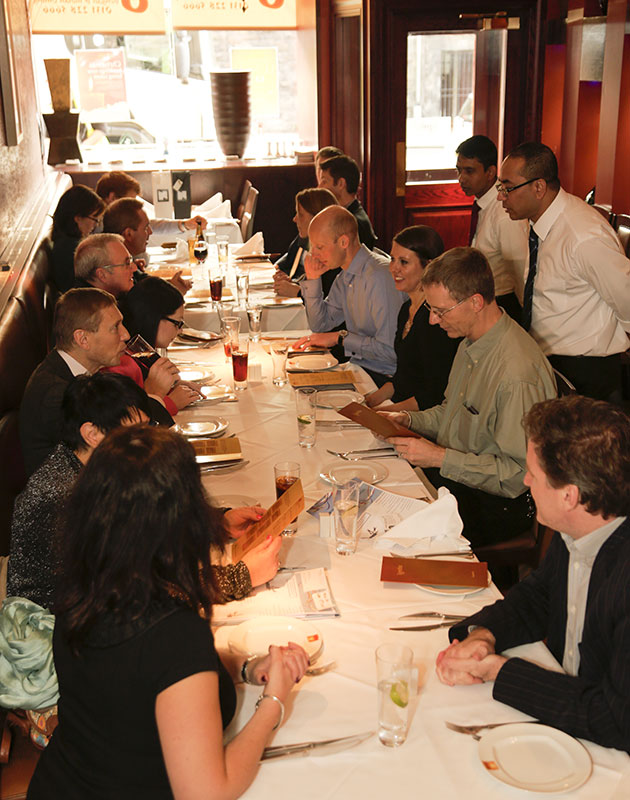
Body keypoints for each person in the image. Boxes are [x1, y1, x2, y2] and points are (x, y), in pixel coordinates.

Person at [27, 426, 308, 799]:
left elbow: (140, 678)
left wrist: (243, 666)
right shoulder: (174, 632)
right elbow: (208, 792)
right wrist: (274, 701)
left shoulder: (86, 585)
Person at [436, 395, 630, 752]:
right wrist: (484, 636)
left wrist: (500, 672)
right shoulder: (581, 528)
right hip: (563, 713)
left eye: (534, 474)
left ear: (569, 495)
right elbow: (539, 595)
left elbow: (614, 719)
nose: (525, 481)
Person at [381, 247, 556, 547]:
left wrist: (438, 457)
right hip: (461, 484)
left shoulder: (516, 373)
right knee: (381, 498)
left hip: (498, 504)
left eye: (440, 311)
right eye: (431, 311)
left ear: (475, 302)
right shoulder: (470, 342)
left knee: (395, 536)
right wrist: (408, 419)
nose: (434, 322)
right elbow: (451, 413)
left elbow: (517, 474)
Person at [498, 141, 630, 400]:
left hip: (586, 371)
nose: (501, 196)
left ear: (538, 187)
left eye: (508, 188)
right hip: (550, 361)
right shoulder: (538, 224)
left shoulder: (583, 236)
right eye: (500, 188)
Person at [8, 373, 151, 607]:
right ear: (92, 434)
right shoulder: (62, 496)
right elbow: (92, 588)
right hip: (58, 623)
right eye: (135, 432)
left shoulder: (100, 464)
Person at [19, 288, 129, 475]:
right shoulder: (56, 395)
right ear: (83, 339)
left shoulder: (82, 372)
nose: (125, 335)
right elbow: (109, 458)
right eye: (115, 327)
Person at [294, 206, 403, 386]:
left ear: (343, 242)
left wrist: (340, 338)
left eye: (319, 247)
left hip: (384, 378)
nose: (314, 254)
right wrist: (313, 280)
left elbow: (389, 351)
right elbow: (320, 324)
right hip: (359, 368)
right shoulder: (345, 276)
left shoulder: (378, 276)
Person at [365, 225, 460, 412]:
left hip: (426, 417)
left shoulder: (436, 319)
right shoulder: (405, 310)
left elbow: (434, 394)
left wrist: (386, 413)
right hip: (403, 407)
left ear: (429, 266)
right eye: (392, 259)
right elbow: (403, 377)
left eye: (404, 262)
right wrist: (370, 401)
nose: (393, 268)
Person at [455, 135, 528, 320]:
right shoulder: (482, 202)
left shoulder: (504, 212)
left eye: (469, 171)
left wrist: (526, 320)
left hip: (503, 305)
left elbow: (520, 272)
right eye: (459, 170)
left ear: (490, 172)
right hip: (481, 300)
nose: (461, 178)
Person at [112, 276, 201, 413]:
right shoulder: (122, 362)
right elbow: (128, 416)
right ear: (153, 318)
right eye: (177, 323)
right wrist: (170, 403)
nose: (180, 330)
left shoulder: (139, 350)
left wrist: (170, 387)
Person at [102, 198, 190, 294]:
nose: (150, 232)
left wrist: (169, 286)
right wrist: (171, 293)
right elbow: (135, 303)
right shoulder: (114, 270)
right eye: (145, 228)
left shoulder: (126, 263)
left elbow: (143, 285)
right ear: (128, 234)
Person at [95, 170, 206, 239]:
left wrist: (185, 224)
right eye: (129, 203)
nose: (132, 211)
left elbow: (148, 225)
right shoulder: (98, 229)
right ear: (112, 197)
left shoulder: (110, 220)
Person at [273, 187, 339, 298]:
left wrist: (298, 293)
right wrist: (290, 281)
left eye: (301, 215)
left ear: (318, 217)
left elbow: (329, 300)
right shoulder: (304, 239)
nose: (295, 219)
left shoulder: (332, 254)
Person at [50, 185, 105, 294]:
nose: (95, 225)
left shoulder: (67, 242)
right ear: (78, 218)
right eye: (94, 219)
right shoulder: (70, 250)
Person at [317, 154, 377, 249]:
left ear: (341, 184)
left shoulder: (355, 223)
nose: (319, 187)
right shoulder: (344, 214)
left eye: (324, 181)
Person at [74, 232, 137, 298]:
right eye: (127, 263)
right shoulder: (91, 307)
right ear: (102, 275)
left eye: (131, 260)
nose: (135, 268)